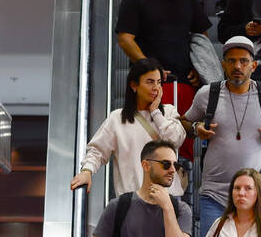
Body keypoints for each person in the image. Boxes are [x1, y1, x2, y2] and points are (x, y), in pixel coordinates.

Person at [180, 36, 261, 232]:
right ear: (223, 65)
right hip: (214, 194)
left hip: (254, 195)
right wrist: (195, 129)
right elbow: (183, 122)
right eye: (232, 60)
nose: (237, 66)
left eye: (243, 61)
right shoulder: (208, 94)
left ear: (253, 65)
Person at [70, 58, 187, 198]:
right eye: (150, 82)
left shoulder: (168, 112)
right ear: (134, 85)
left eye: (159, 82)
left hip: (168, 199)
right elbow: (97, 151)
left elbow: (175, 140)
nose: (156, 88)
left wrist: (156, 112)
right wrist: (87, 171)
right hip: (132, 201)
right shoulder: (117, 118)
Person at [86, 140, 192, 237]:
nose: (172, 170)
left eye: (175, 165)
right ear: (146, 165)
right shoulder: (119, 205)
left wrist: (167, 207)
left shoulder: (181, 209)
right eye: (166, 164)